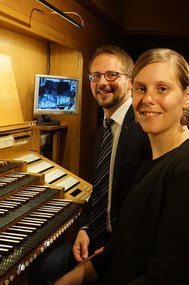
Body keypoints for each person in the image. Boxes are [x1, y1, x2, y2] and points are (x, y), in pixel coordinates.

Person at [54, 48, 189, 285]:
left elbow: (168, 277)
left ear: (187, 96)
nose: (148, 99)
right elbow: (126, 245)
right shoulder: (152, 162)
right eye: (142, 89)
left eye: (162, 89)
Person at [33, 45, 150, 284]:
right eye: (95, 76)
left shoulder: (143, 128)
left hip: (127, 245)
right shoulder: (104, 131)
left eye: (111, 75)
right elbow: (100, 189)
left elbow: (143, 208)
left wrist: (112, 252)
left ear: (130, 82)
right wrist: (85, 227)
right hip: (98, 236)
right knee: (43, 268)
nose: (101, 83)